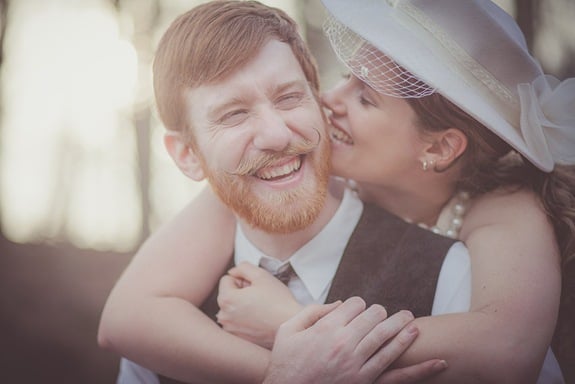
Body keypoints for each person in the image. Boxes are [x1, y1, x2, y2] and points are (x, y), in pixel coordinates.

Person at [98, 0, 575, 382]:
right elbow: (127, 317)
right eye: (343, 79)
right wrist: (288, 370)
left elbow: (508, 348)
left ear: (440, 147)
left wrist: (295, 327)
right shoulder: (263, 180)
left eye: (366, 97)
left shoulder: (503, 216)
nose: (328, 100)